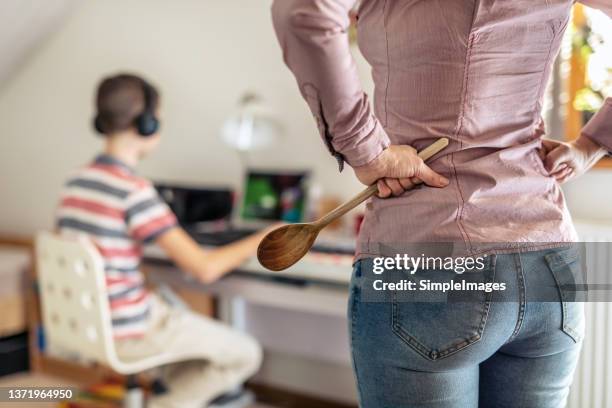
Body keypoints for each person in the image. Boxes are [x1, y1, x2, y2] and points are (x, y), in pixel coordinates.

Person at [271, 1, 611, 407]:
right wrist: (593, 143)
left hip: (428, 256)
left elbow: (303, 10)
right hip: (553, 264)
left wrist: (367, 151)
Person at [55, 73, 268, 408]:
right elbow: (204, 269)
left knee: (172, 307)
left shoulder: (74, 182)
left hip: (92, 323)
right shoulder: (133, 191)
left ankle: (169, 394)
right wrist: (262, 238)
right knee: (246, 354)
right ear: (148, 124)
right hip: (130, 330)